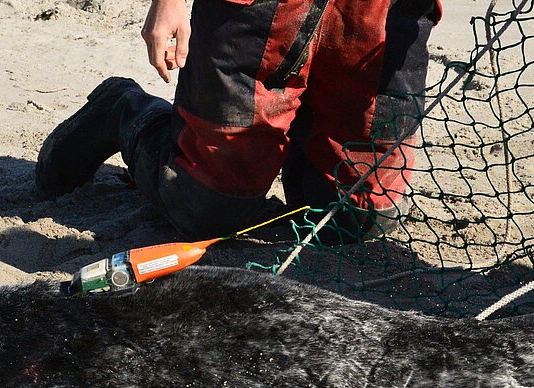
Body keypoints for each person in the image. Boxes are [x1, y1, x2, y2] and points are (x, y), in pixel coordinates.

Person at [34, 0, 441, 242]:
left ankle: (295, 136)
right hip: (266, 10)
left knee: (357, 219)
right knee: (208, 208)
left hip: (380, 13)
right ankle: (122, 111)